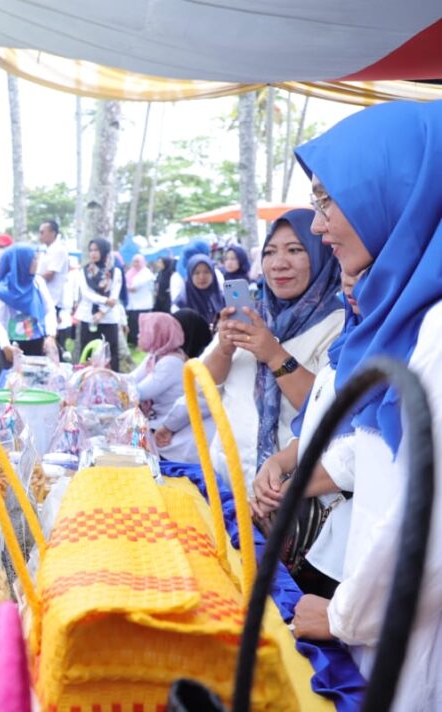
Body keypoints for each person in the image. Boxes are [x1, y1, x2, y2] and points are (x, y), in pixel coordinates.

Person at [287, 100, 442, 710]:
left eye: (328, 200)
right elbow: (385, 441)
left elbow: (430, 527)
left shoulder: (437, 332)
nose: (319, 226)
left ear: (396, 191)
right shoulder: (408, 318)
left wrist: (346, 614)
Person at [161, 209, 344, 487]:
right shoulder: (250, 315)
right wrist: (223, 349)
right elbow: (202, 388)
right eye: (269, 252)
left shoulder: (339, 324)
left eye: (294, 250)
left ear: (321, 255)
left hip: (289, 493)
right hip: (229, 482)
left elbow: (329, 410)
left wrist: (274, 354)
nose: (278, 264)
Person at [252, 270, 363, 599]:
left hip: (356, 545)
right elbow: (319, 419)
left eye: (367, 270)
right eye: (346, 269)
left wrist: (291, 488)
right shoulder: (350, 337)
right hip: (314, 542)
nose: (351, 282)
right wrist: (279, 461)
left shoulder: (345, 326)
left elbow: (366, 446)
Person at [130, 312, 213, 463]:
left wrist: (111, 382)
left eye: (144, 331)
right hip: (159, 421)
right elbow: (132, 379)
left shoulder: (170, 362)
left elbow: (139, 392)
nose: (138, 335)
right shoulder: (156, 356)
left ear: (158, 334)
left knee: (131, 446)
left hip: (166, 425)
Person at [0, 244, 58, 369]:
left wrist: (50, 335)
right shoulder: (3, 290)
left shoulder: (37, 282)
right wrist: (5, 345)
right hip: (13, 346)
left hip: (38, 343)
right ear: (21, 262)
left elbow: (49, 309)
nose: (37, 263)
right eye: (33, 259)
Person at [72, 237, 123, 371]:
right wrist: (104, 301)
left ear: (104, 251)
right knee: (88, 353)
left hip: (108, 318)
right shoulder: (84, 271)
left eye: (97, 250)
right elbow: (86, 293)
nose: (93, 253)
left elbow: (114, 295)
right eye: (91, 250)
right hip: (89, 317)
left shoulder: (115, 272)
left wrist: (102, 312)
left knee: (110, 354)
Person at [37, 219, 73, 356]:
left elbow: (50, 274)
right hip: (44, 299)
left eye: (42, 232)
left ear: (53, 233)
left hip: (52, 300)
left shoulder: (58, 250)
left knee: (51, 338)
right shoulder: (48, 250)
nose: (40, 236)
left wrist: (32, 279)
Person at [175, 254, 224, 328]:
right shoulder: (181, 304)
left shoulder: (223, 298)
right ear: (190, 275)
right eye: (196, 273)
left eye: (206, 272)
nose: (202, 277)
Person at [124, 253, 155, 347]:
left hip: (143, 304)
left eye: (137, 261)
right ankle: (133, 342)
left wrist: (124, 288)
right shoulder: (130, 273)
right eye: (134, 262)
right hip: (132, 305)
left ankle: (142, 343)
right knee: (132, 324)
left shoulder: (146, 273)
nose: (135, 264)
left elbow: (133, 288)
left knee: (141, 325)